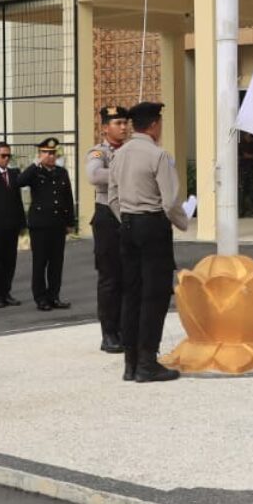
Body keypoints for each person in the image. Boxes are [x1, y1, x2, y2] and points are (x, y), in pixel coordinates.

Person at [109, 102, 190, 384]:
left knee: (131, 294)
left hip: (128, 226)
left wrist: (128, 220)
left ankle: (130, 364)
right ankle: (147, 363)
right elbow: (169, 201)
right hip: (152, 226)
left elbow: (111, 197)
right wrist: (184, 222)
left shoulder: (119, 155)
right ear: (154, 125)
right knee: (154, 296)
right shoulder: (158, 155)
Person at [86, 106, 130, 353]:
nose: (123, 127)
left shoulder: (131, 150)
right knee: (110, 278)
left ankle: (125, 328)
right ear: (105, 127)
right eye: (117, 123)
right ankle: (109, 333)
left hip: (129, 213)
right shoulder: (98, 152)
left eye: (125, 123)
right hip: (107, 216)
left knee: (129, 276)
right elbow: (94, 176)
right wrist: (124, 172)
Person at [18, 137, 75, 311]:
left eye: (53, 153)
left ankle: (54, 296)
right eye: (46, 153)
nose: (50, 156)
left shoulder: (61, 172)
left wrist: (70, 221)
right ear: (40, 154)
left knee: (56, 263)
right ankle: (41, 298)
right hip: (40, 225)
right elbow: (20, 181)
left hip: (57, 224)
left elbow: (68, 198)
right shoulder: (35, 172)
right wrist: (36, 163)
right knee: (40, 262)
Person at [0, 140, 25, 308]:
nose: (6, 159)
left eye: (9, 155)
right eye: (3, 155)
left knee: (10, 261)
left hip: (11, 225)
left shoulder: (14, 174)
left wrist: (22, 222)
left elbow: (18, 200)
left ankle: (6, 292)